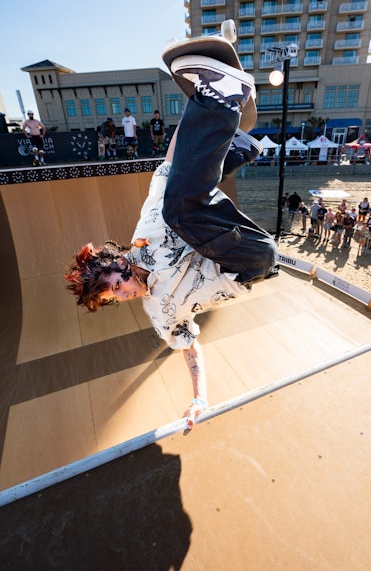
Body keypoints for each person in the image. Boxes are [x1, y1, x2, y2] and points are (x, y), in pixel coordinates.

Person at [65, 52, 277, 423]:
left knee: (175, 202)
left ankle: (229, 124)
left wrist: (197, 103)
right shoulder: (159, 313)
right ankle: (227, 124)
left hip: (237, 236)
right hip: (247, 265)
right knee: (179, 209)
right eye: (114, 298)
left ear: (119, 263)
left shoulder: (145, 234)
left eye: (116, 287)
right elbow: (191, 350)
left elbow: (167, 165)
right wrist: (200, 400)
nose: (123, 296)